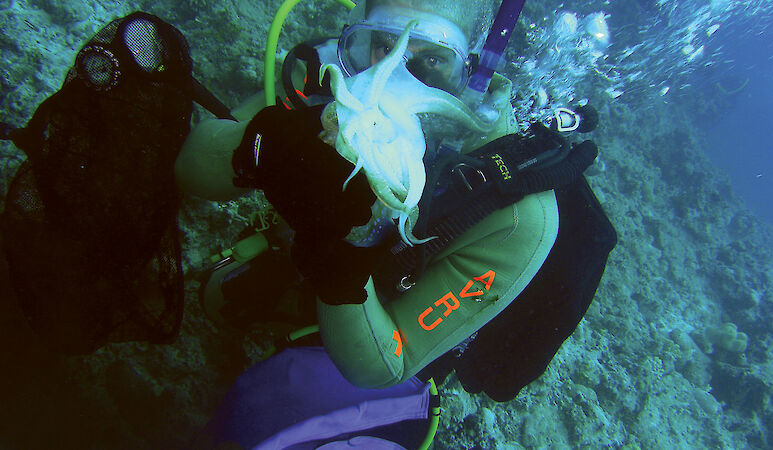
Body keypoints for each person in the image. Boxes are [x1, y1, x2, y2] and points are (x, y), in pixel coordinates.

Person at [176, 0, 616, 399]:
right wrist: (261, 145)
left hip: (389, 331)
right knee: (216, 296)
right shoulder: (333, 74)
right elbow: (190, 167)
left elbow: (383, 367)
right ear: (358, 35)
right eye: (382, 45)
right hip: (298, 269)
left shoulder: (521, 218)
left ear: (472, 71)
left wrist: (342, 254)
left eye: (434, 59)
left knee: (286, 411)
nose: (396, 75)